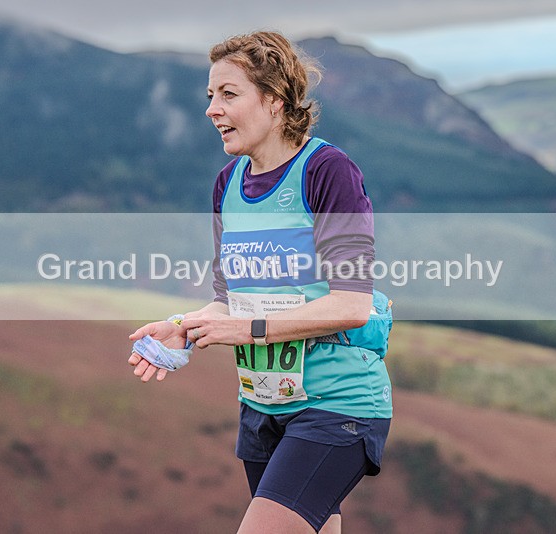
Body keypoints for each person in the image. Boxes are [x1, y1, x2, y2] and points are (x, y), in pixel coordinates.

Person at [128, 30, 393, 534]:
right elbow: (230, 303)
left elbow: (353, 305)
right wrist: (182, 325)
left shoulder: (326, 171)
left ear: (274, 101)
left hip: (337, 407)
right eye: (210, 96)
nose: (212, 109)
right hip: (263, 408)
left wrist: (247, 329)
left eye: (229, 94)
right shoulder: (226, 185)